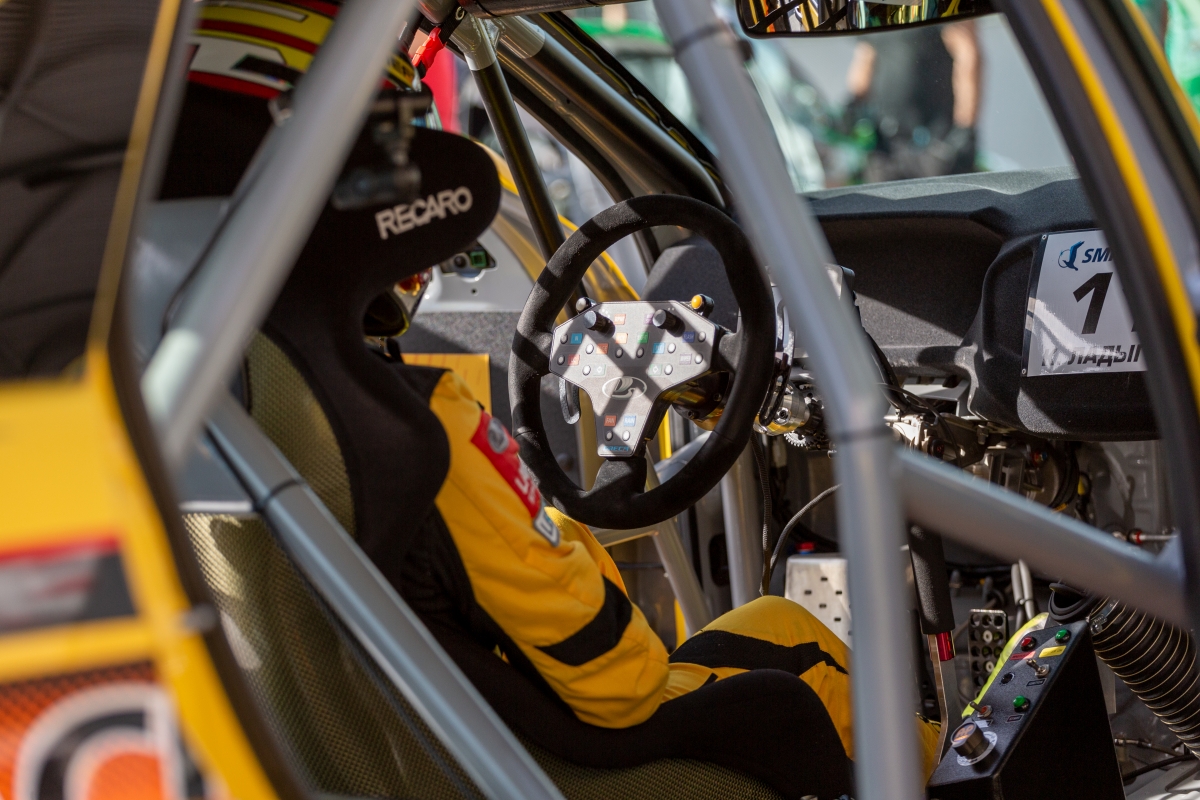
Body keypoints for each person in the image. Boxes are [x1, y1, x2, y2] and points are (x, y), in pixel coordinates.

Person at [163, 2, 941, 794]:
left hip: (357, 762)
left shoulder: (162, 410)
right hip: (565, 775)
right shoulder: (416, 431)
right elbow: (620, 683)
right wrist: (553, 531)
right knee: (798, 652)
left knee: (764, 626)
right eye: (393, 144)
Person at [845, 21, 981, 181]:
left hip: (938, 142)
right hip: (887, 144)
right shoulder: (873, 12)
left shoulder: (936, 9)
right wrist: (851, 105)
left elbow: (968, 56)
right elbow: (866, 58)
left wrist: (964, 129)